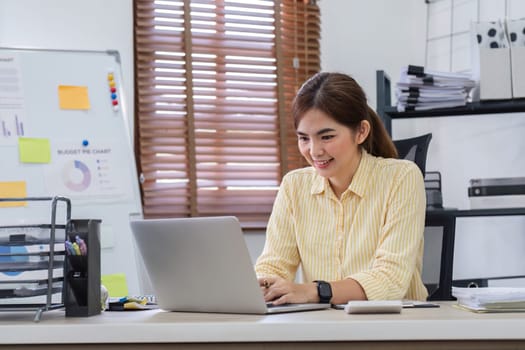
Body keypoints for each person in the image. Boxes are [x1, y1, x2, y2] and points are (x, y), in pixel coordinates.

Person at [255, 72, 428, 305]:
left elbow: (390, 279)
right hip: (326, 328)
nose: (314, 151)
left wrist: (313, 291)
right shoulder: (294, 186)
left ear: (361, 132)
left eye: (326, 137)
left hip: (395, 328)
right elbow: (274, 264)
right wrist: (263, 284)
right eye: (304, 138)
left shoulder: (402, 177)